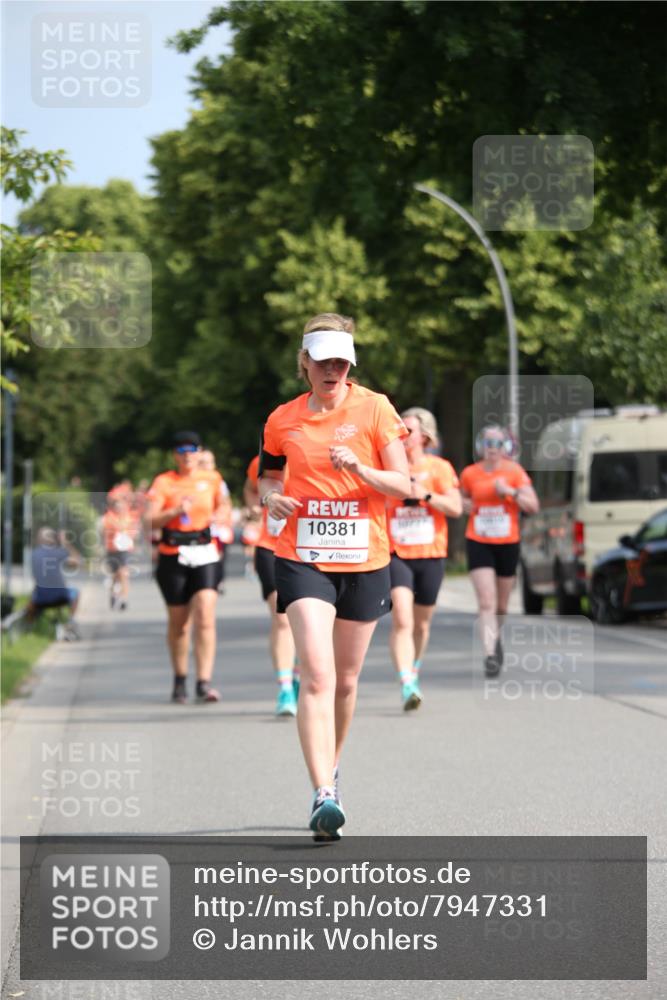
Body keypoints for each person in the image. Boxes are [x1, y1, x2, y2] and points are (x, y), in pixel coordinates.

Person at [258, 312, 410, 840]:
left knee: (346, 681)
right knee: (318, 675)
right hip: (303, 557)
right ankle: (322, 790)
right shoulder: (282, 419)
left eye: (342, 363)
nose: (333, 371)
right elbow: (268, 477)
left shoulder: (376, 408)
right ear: (304, 362)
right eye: (323, 361)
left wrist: (361, 470)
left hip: (365, 558)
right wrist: (272, 499)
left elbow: (403, 484)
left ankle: (333, 767)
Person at [386, 407, 462, 710]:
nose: (403, 436)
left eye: (409, 430)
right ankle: (406, 682)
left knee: (421, 625)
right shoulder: (388, 468)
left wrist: (425, 494)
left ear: (425, 436)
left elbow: (456, 508)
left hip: (430, 554)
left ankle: (413, 669)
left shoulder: (439, 468)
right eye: (399, 430)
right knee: (402, 619)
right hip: (396, 553)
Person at [145, 431, 228, 704]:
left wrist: (221, 516)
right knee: (180, 624)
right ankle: (180, 679)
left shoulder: (212, 479)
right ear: (175, 455)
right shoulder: (164, 482)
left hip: (205, 551)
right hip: (173, 553)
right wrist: (175, 511)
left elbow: (224, 505)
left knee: (205, 613)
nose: (187, 455)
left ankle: (204, 682)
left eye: (192, 449)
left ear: (199, 452)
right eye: (181, 450)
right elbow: (149, 521)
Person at [459, 425, 539, 676]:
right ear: (480, 446)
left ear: (506, 447)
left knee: (501, 605)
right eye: (488, 443)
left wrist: (510, 492)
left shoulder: (514, 472)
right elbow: (459, 500)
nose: (492, 448)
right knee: (486, 602)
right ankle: (490, 654)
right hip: (478, 540)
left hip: (507, 542)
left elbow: (533, 505)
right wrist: (465, 504)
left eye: (497, 444)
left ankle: (496, 637)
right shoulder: (470, 473)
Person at [244, 454, 298, 717]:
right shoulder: (264, 460)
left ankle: (301, 672)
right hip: (270, 547)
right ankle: (285, 688)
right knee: (282, 618)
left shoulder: (322, 449)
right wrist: (254, 507)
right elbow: (250, 488)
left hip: (308, 548)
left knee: (311, 621)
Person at [28, 527, 82, 639]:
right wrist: (65, 542)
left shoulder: (34, 554)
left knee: (34, 596)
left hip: (40, 599)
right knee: (76, 592)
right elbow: (77, 561)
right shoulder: (58, 553)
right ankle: (70, 621)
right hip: (61, 596)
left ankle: (30, 628)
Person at [198, 449, 233, 593]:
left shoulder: (219, 481)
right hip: (199, 528)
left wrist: (221, 517)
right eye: (202, 462)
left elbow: (226, 503)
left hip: (217, 528)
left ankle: (218, 581)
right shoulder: (192, 482)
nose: (206, 466)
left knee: (218, 556)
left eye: (209, 462)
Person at [101, 496, 138, 610]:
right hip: (112, 549)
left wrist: (130, 534)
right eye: (117, 506)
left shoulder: (129, 517)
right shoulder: (109, 517)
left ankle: (123, 599)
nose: (119, 508)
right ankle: (113, 595)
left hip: (124, 549)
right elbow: (107, 529)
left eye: (121, 506)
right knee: (115, 575)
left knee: (123, 573)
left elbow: (133, 531)